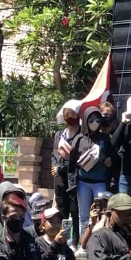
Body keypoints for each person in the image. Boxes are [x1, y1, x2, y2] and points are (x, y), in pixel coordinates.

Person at [73, 106, 115, 234]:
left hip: (100, 182)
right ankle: (83, 243)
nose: (94, 123)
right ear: (85, 120)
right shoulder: (79, 139)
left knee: (102, 214)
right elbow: (72, 162)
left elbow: (114, 156)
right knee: (84, 215)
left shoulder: (105, 138)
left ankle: (99, 242)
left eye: (97, 120)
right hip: (83, 182)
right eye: (91, 120)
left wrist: (109, 161)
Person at [50, 100, 83, 243]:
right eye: (65, 113)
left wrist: (61, 168)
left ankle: (75, 240)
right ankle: (65, 239)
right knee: (62, 209)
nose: (68, 116)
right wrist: (54, 168)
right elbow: (54, 154)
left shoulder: (82, 135)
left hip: (74, 178)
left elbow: (78, 158)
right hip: (59, 179)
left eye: (71, 113)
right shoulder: (59, 134)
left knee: (75, 210)